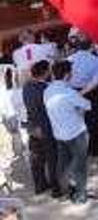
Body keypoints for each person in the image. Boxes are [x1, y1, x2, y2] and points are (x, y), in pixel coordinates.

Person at [44, 60, 92, 204]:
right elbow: (87, 105)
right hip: (76, 133)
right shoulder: (68, 92)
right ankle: (80, 195)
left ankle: (65, 191)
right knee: (80, 166)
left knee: (62, 164)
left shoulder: (47, 90)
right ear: (67, 74)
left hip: (58, 133)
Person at [21, 60, 59, 198]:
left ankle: (40, 185)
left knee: (36, 159)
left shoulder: (26, 86)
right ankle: (56, 188)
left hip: (32, 125)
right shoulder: (47, 89)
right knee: (52, 158)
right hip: (46, 127)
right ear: (45, 72)